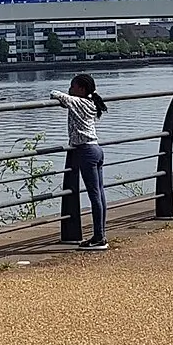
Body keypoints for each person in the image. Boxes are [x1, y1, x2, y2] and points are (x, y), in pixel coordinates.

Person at [54, 72, 109, 250]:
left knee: (94, 195)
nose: (70, 88)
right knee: (100, 194)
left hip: (85, 151)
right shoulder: (91, 103)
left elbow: (56, 94)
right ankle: (101, 235)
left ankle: (99, 238)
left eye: (73, 86)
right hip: (96, 149)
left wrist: (64, 96)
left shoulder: (78, 102)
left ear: (82, 89)